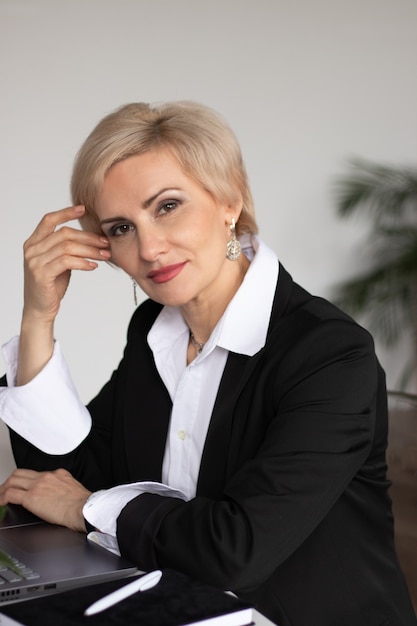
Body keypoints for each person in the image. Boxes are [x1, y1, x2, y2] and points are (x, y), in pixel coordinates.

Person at [0, 101, 415, 626]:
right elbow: (58, 480)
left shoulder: (330, 355)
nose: (149, 247)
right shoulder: (155, 329)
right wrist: (39, 316)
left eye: (167, 206)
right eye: (122, 228)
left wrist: (89, 509)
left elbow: (234, 550)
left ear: (230, 200)